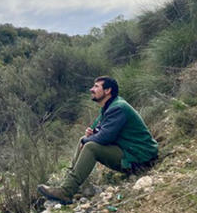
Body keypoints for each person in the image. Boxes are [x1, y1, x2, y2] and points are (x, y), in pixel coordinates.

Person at [38, 76, 158, 205]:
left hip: (141, 158)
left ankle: (66, 191)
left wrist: (89, 138)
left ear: (107, 91)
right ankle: (72, 186)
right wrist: (90, 134)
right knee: (84, 140)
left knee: (90, 146)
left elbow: (105, 137)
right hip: (129, 152)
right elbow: (97, 130)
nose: (91, 89)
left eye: (96, 86)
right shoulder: (108, 108)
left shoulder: (118, 108)